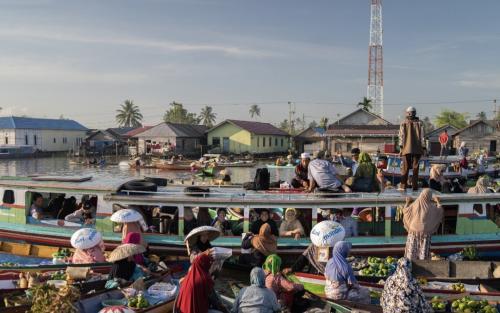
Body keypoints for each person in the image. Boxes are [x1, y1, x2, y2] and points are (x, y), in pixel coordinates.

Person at [403, 189, 443, 260]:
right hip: (425, 233)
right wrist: (437, 201)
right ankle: (422, 265)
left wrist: (407, 202)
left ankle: (410, 263)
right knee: (423, 251)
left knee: (411, 251)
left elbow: (405, 211)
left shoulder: (416, 203)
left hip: (413, 231)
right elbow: (440, 211)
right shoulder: (431, 206)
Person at [399, 106, 425, 191]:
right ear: (415, 113)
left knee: (405, 168)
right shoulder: (420, 123)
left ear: (407, 113)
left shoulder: (403, 123)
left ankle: (403, 186)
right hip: (417, 148)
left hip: (406, 148)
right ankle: (415, 187)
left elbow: (401, 137)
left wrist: (401, 149)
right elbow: (422, 137)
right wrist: (424, 148)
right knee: (415, 168)